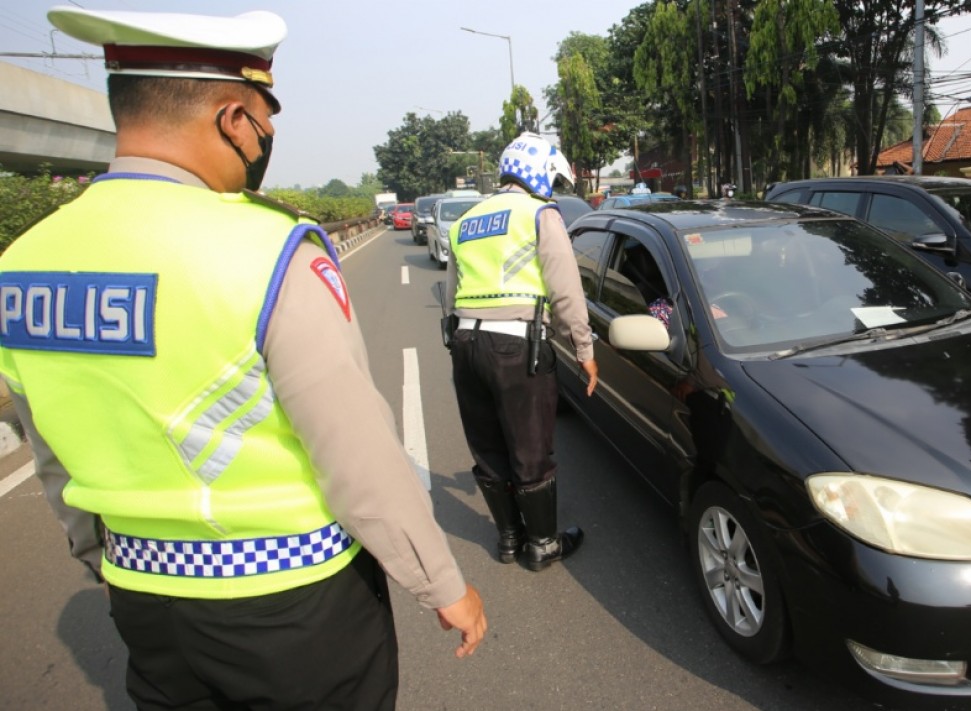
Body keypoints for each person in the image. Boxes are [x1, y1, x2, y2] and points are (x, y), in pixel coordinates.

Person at [0, 7, 485, 709]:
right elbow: (357, 455)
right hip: (295, 604)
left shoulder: (24, 262)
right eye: (264, 123)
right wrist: (442, 584)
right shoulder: (268, 252)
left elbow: (48, 446)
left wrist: (101, 558)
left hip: (144, 599)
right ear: (233, 119)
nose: (264, 141)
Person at [444, 132, 598, 572]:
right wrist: (583, 348)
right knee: (531, 450)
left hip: (466, 344)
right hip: (516, 345)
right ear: (540, 172)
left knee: (487, 446)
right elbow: (565, 290)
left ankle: (509, 538)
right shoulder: (538, 214)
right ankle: (543, 545)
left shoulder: (466, 220)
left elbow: (451, 292)